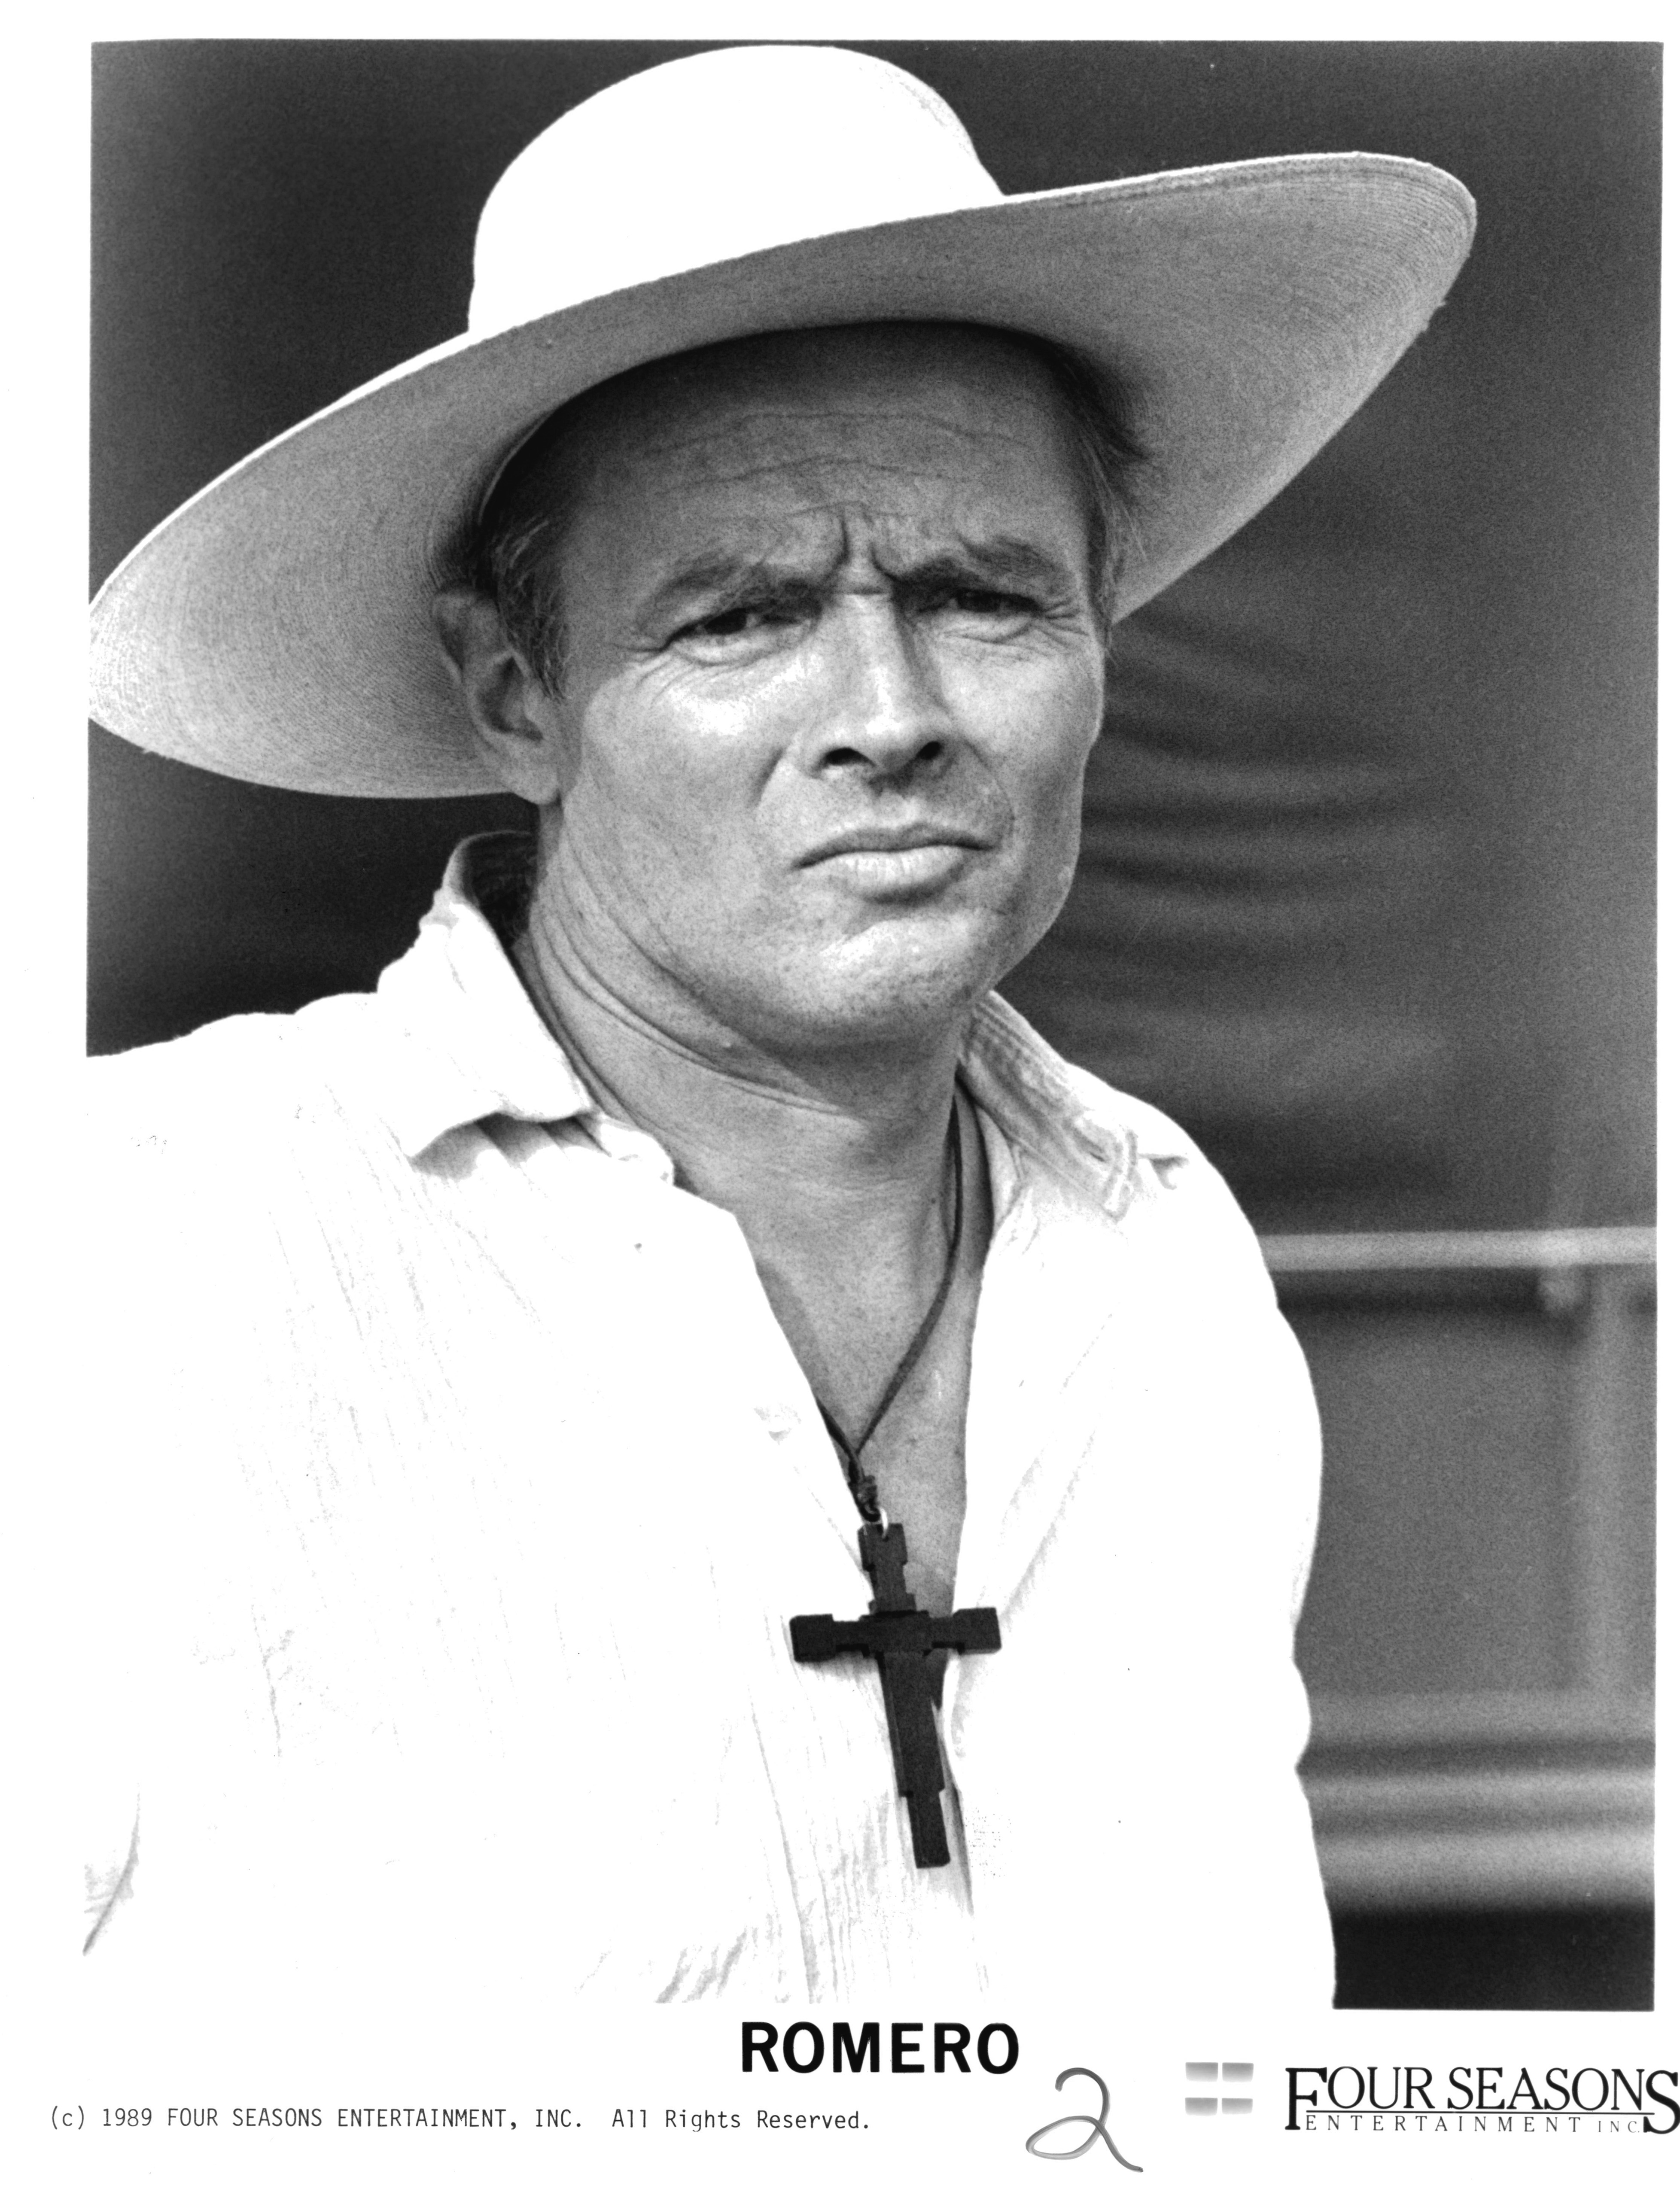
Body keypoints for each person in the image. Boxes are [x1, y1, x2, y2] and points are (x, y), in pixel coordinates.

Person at [75, 45, 1473, 2013]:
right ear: (515, 691)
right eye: (736, 617)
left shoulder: (1158, 1259)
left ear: (1097, 646)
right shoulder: (119, 1261)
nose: (887, 711)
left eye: (983, 594)